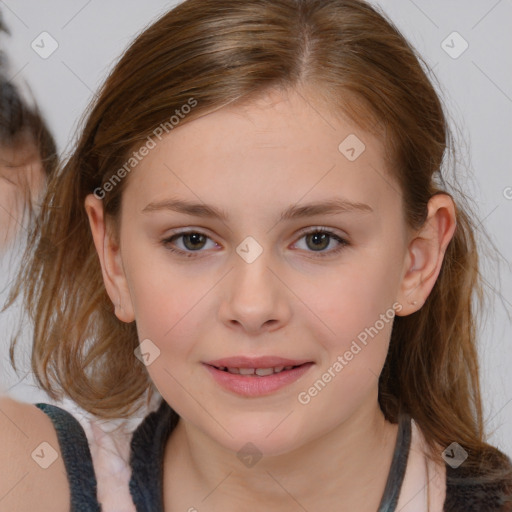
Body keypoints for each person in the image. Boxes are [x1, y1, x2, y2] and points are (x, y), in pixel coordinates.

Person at [1, 0, 511, 510]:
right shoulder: (25, 480)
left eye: (318, 239)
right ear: (113, 258)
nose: (251, 306)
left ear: (416, 261)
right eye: (192, 240)